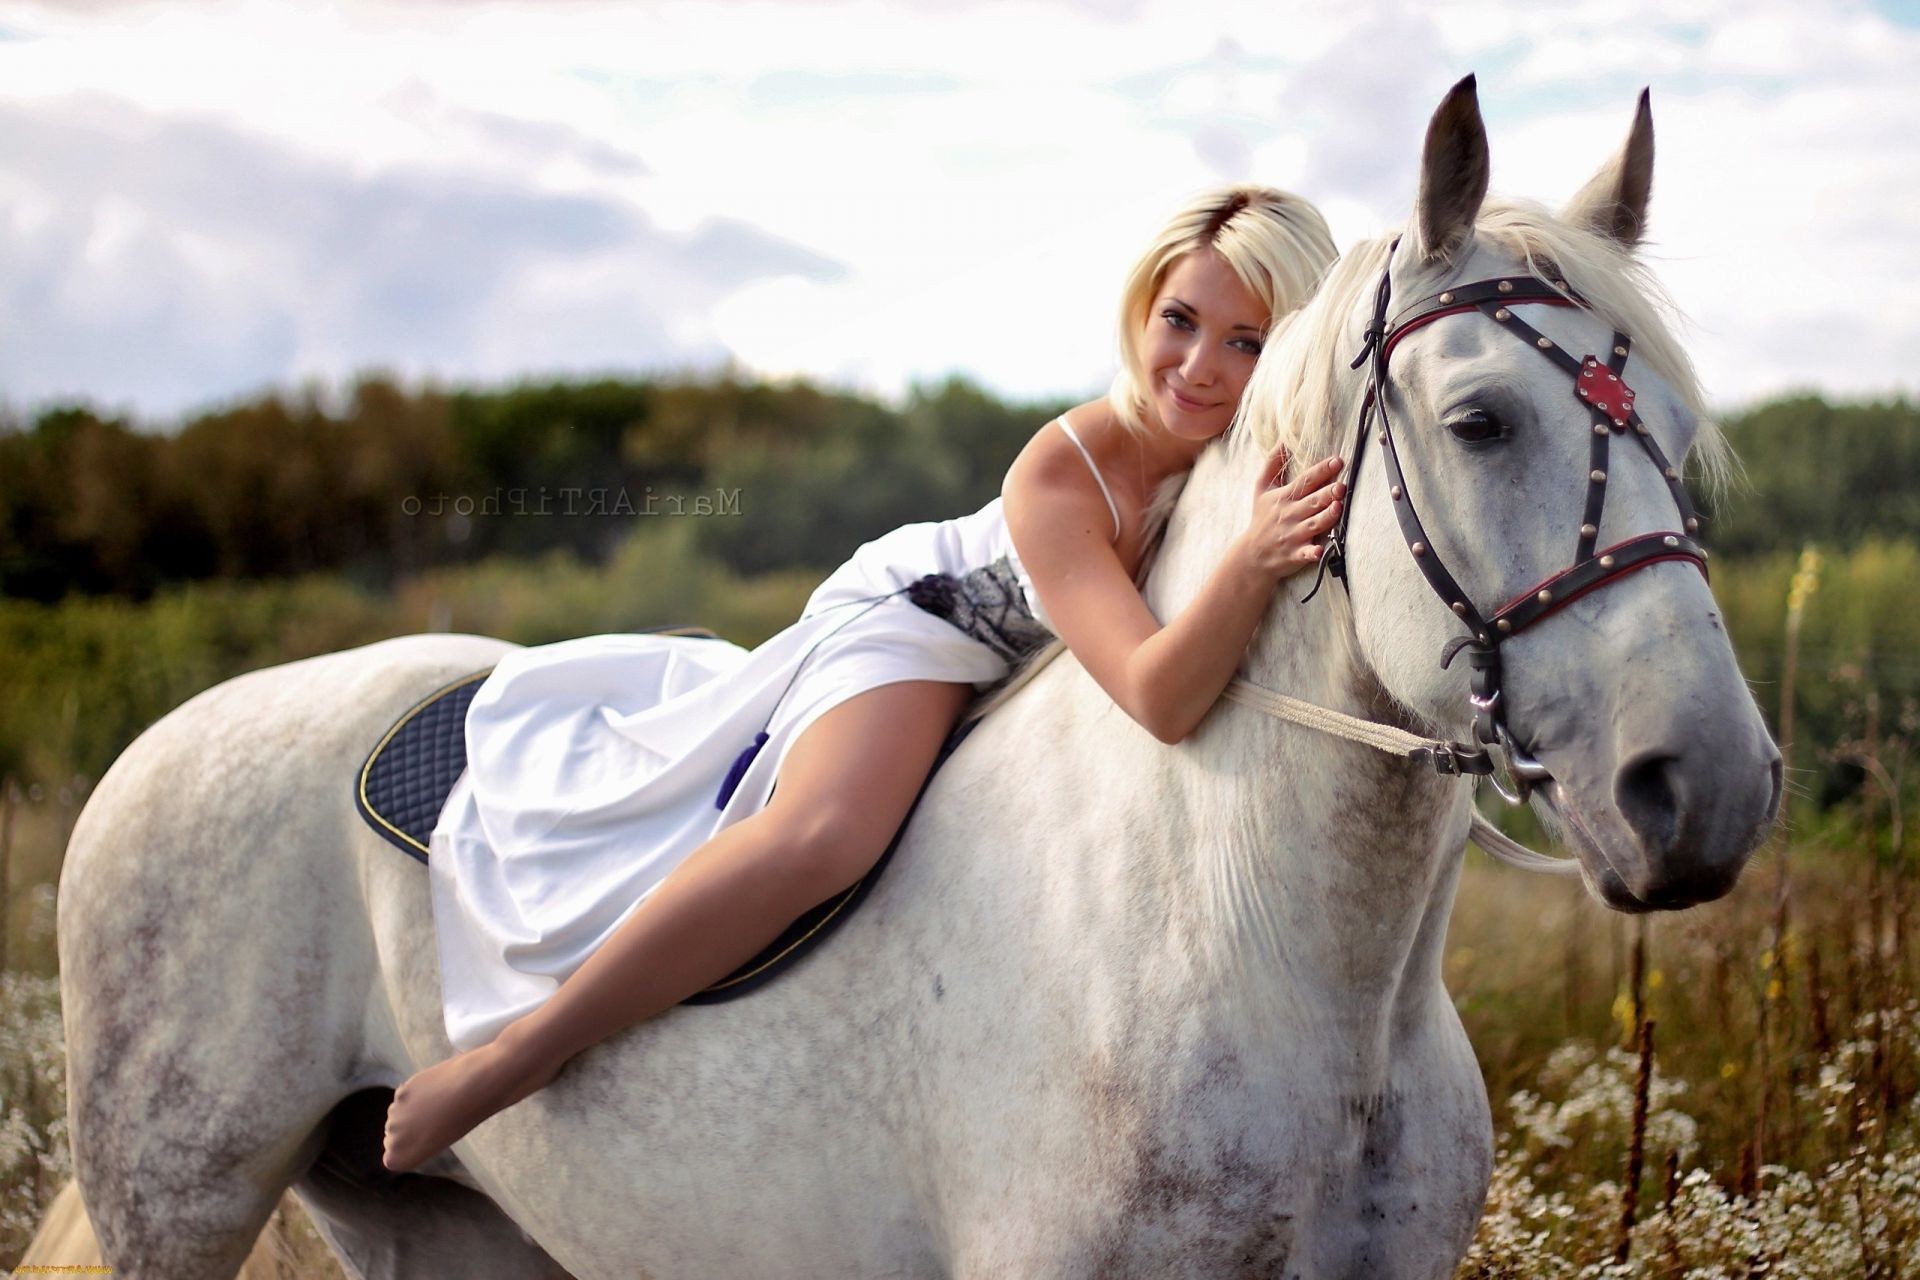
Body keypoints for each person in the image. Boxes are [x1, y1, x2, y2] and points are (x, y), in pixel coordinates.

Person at [382, 183, 1346, 1174]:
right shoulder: (1069, 467)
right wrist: (1251, 559)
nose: (1198, 366)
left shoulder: (1243, 452)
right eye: (1179, 320)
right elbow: (1158, 694)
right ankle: (512, 1061)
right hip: (927, 623)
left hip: (1022, 675)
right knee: (826, 834)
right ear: (1142, 309)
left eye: (1246, 340)